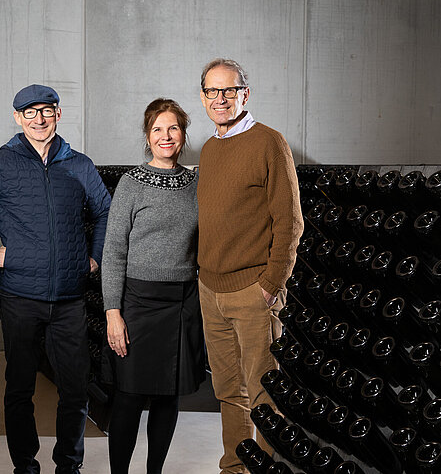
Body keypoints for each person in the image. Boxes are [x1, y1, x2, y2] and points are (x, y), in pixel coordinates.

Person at [0, 84, 111, 474]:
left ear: (58, 114)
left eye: (46, 110)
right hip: (20, 297)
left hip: (70, 300)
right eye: (29, 112)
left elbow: (105, 212)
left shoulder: (79, 164)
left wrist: (95, 258)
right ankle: (25, 467)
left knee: (75, 390)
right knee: (20, 389)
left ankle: (69, 465)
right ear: (17, 118)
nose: (39, 119)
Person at [196, 58, 303, 473]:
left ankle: (267, 468)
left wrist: (272, 282)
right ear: (203, 97)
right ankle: (235, 467)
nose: (220, 99)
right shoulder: (209, 148)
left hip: (253, 291)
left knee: (265, 392)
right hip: (211, 289)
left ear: (245, 94)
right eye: (212, 91)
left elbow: (290, 221)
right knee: (228, 390)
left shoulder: (269, 142)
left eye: (229, 90)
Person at [102, 98, 205, 474]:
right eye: (157, 129)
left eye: (173, 128)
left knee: (168, 397)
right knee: (128, 397)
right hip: (138, 303)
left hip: (182, 302)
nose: (166, 136)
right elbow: (113, 251)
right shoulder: (131, 184)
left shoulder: (196, 182)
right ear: (147, 136)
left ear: (183, 134)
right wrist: (113, 313)